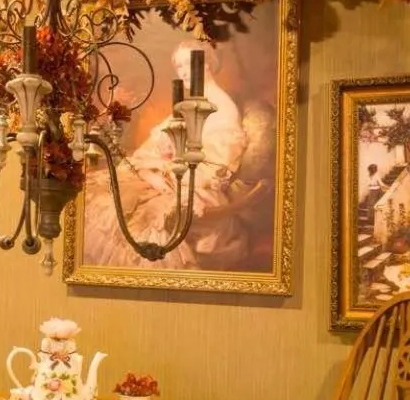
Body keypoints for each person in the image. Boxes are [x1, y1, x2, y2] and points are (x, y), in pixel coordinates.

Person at [82, 39, 273, 270]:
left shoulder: (222, 107)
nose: (182, 72)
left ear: (207, 64)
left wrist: (166, 166)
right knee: (98, 199)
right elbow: (157, 144)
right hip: (167, 177)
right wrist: (153, 164)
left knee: (145, 226)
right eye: (179, 66)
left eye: (187, 64)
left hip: (195, 188)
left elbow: (214, 170)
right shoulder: (190, 103)